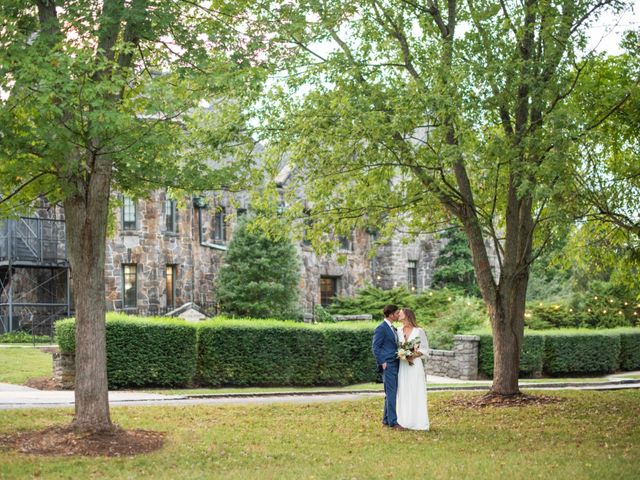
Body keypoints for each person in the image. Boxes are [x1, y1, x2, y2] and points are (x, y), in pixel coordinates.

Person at [371, 304, 405, 430]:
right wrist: (382, 361)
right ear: (390, 315)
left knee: (390, 393)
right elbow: (375, 347)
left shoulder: (393, 328)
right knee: (391, 393)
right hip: (388, 365)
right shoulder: (381, 328)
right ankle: (393, 422)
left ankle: (386, 420)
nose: (398, 315)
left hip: (395, 363)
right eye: (396, 313)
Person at [396, 307, 429, 430]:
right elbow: (396, 347)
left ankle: (418, 422)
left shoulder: (419, 331)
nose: (398, 314)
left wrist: (412, 355)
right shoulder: (397, 330)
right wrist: (403, 355)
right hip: (402, 366)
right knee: (403, 390)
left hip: (415, 365)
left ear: (407, 315)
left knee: (416, 390)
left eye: (400, 313)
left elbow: (425, 349)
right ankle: (403, 421)